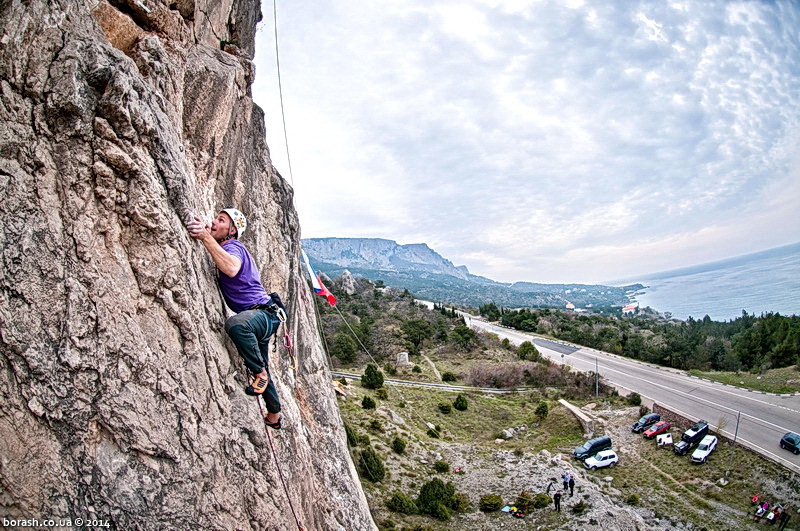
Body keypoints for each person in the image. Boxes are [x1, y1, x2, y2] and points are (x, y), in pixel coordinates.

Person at [186, 208, 282, 429]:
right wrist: (207, 235)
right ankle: (274, 415)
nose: (214, 222)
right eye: (216, 219)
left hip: (262, 314)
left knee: (236, 326)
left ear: (231, 231)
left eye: (221, 221)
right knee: (261, 364)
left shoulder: (233, 247)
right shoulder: (224, 247)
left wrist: (204, 236)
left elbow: (231, 268)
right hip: (262, 315)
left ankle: (260, 373)